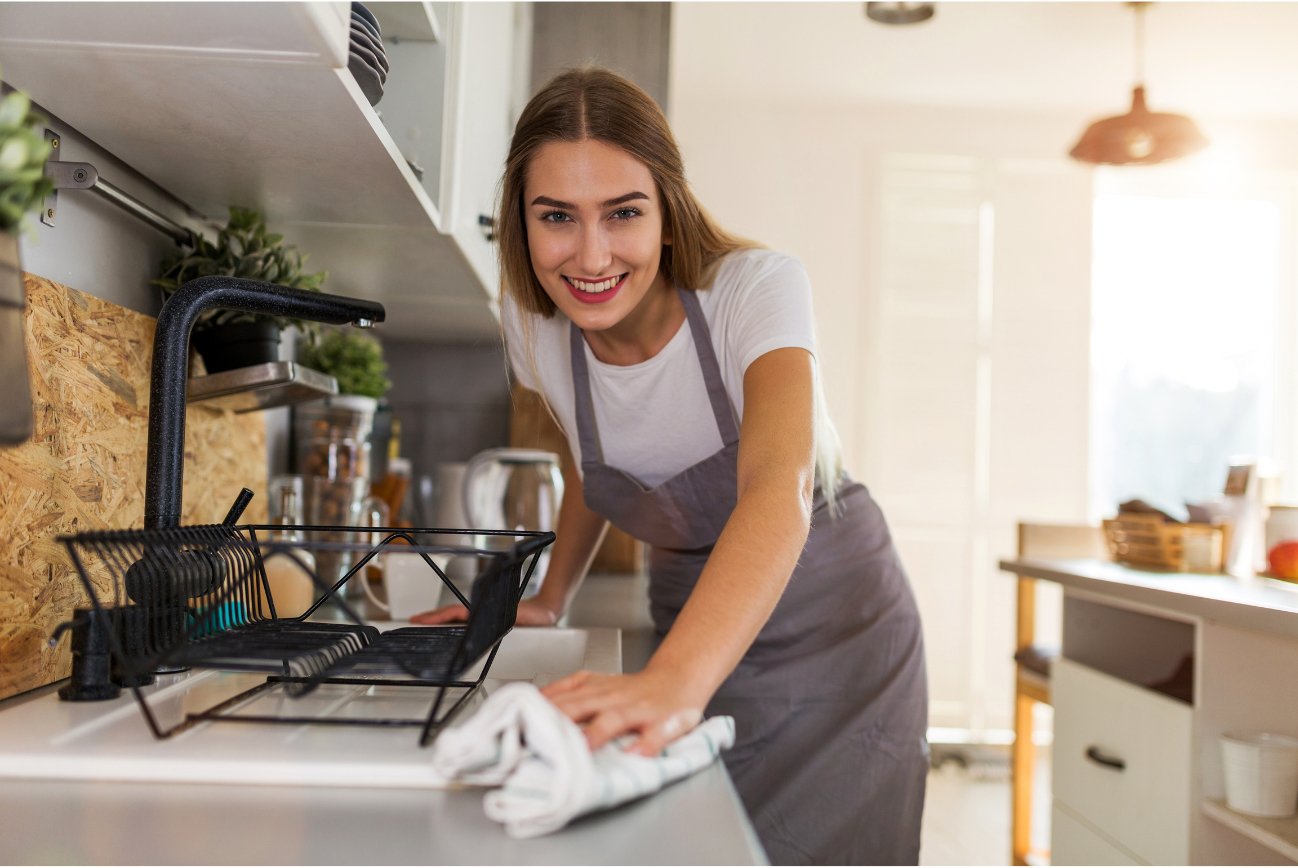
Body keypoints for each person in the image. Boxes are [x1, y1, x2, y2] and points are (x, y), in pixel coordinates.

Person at [413, 67, 928, 865]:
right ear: (521, 220)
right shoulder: (532, 324)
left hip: (837, 623)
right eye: (557, 217)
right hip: (693, 612)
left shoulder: (753, 291)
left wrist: (676, 682)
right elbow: (595, 462)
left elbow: (777, 487)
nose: (591, 255)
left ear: (667, 210)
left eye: (623, 213)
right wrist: (550, 598)